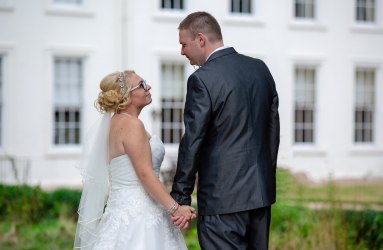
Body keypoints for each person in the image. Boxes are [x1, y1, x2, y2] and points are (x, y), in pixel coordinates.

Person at [170, 12, 280, 249]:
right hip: (260, 197)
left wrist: (180, 197)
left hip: (222, 200)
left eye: (183, 44)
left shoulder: (202, 79)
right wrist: (265, 180)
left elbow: (193, 141)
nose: (182, 52)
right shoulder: (260, 69)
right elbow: (273, 133)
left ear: (201, 39)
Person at [74, 70, 196, 250]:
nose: (148, 87)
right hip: (140, 217)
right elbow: (145, 174)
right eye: (142, 84)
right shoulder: (132, 125)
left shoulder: (114, 124)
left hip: (120, 214)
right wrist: (175, 209)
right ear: (126, 96)